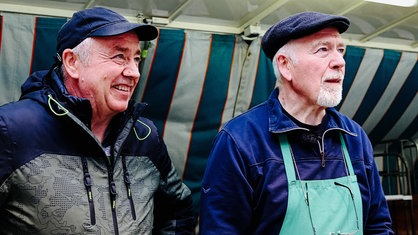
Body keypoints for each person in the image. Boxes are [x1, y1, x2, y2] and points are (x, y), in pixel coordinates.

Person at [0, 7, 196, 234]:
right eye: (119, 56)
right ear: (72, 62)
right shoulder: (12, 129)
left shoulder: (144, 135)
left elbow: (177, 210)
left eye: (136, 58)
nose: (134, 72)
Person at [199, 11, 394, 234]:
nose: (340, 62)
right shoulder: (241, 141)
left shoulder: (354, 138)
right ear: (285, 65)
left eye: (341, 51)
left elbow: (378, 226)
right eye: (323, 50)